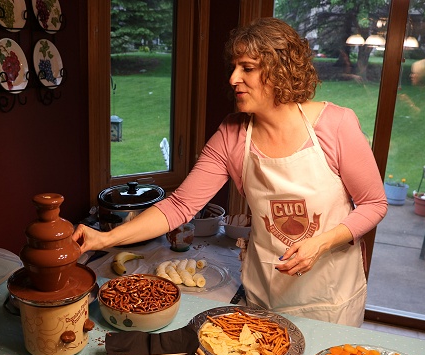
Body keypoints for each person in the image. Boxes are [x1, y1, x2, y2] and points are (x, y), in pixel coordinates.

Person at [73, 18, 387, 327]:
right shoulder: (232, 134)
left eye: (247, 68)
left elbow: (374, 204)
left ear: (281, 70)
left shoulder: (336, 126)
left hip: (331, 301)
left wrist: (321, 242)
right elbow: (180, 206)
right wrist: (105, 239)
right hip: (265, 294)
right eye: (234, 67)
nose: (233, 78)